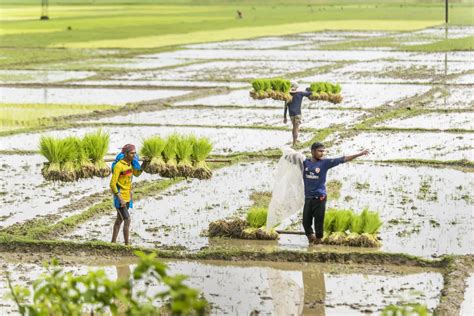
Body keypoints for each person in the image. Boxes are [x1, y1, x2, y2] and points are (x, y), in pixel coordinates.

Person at [285, 142, 369, 245]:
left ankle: (318, 243)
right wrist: (291, 153)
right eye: (320, 151)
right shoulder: (305, 163)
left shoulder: (325, 163)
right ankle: (311, 240)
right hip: (308, 197)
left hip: (320, 198)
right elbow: (288, 158)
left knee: (318, 223)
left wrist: (360, 154)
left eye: (323, 151)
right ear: (312, 151)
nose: (322, 153)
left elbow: (343, 159)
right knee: (306, 223)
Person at [110, 144, 149, 245]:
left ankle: (113, 242)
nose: (134, 155)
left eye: (135, 153)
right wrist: (120, 198)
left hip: (127, 196)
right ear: (126, 154)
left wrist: (144, 164)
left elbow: (137, 174)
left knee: (119, 219)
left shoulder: (130, 164)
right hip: (120, 198)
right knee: (127, 219)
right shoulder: (119, 166)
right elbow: (112, 184)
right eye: (132, 153)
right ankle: (127, 244)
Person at [283, 81, 312, 147]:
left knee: (294, 127)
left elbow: (285, 107)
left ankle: (294, 141)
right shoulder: (300, 93)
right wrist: (308, 89)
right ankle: (294, 143)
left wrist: (285, 117)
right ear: (296, 88)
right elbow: (309, 93)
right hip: (297, 114)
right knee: (296, 128)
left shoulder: (287, 95)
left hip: (291, 114)